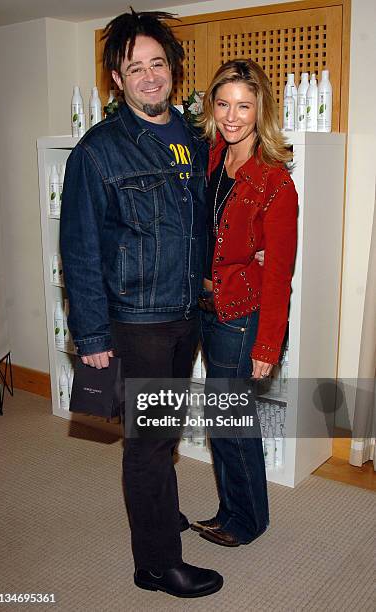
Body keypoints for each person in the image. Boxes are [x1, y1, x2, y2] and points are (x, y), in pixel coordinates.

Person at [60, 10, 223, 598]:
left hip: (186, 317)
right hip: (137, 323)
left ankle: (155, 519)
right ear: (117, 77)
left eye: (158, 64)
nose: (150, 76)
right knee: (149, 446)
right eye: (136, 67)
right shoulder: (97, 153)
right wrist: (95, 339)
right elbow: (78, 252)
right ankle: (157, 564)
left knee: (162, 437)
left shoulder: (193, 138)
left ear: (173, 71)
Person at [191, 59, 298, 547]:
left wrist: (267, 345)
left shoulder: (275, 182)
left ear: (261, 111)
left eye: (244, 106)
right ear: (213, 106)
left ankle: (248, 520)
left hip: (240, 317)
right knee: (221, 420)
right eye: (224, 104)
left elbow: (278, 274)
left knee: (231, 422)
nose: (232, 116)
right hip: (206, 307)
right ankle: (231, 508)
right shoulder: (211, 156)